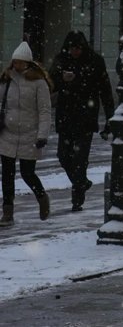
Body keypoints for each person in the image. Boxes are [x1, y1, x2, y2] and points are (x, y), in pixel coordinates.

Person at [49, 31, 114, 212]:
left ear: (83, 47)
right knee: (63, 156)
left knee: (79, 158)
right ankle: (81, 182)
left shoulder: (95, 61)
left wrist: (110, 117)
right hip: (65, 115)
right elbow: (50, 83)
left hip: (86, 115)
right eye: (71, 48)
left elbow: (105, 91)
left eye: (77, 48)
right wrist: (61, 79)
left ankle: (77, 197)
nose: (74, 52)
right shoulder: (61, 60)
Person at [0, 41, 53, 225]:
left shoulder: (38, 83)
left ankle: (42, 197)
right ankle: (7, 213)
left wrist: (42, 135)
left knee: (27, 173)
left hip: (30, 135)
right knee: (6, 175)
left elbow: (45, 111)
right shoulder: (6, 80)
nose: (17, 65)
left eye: (21, 62)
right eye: (15, 62)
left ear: (28, 63)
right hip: (8, 134)